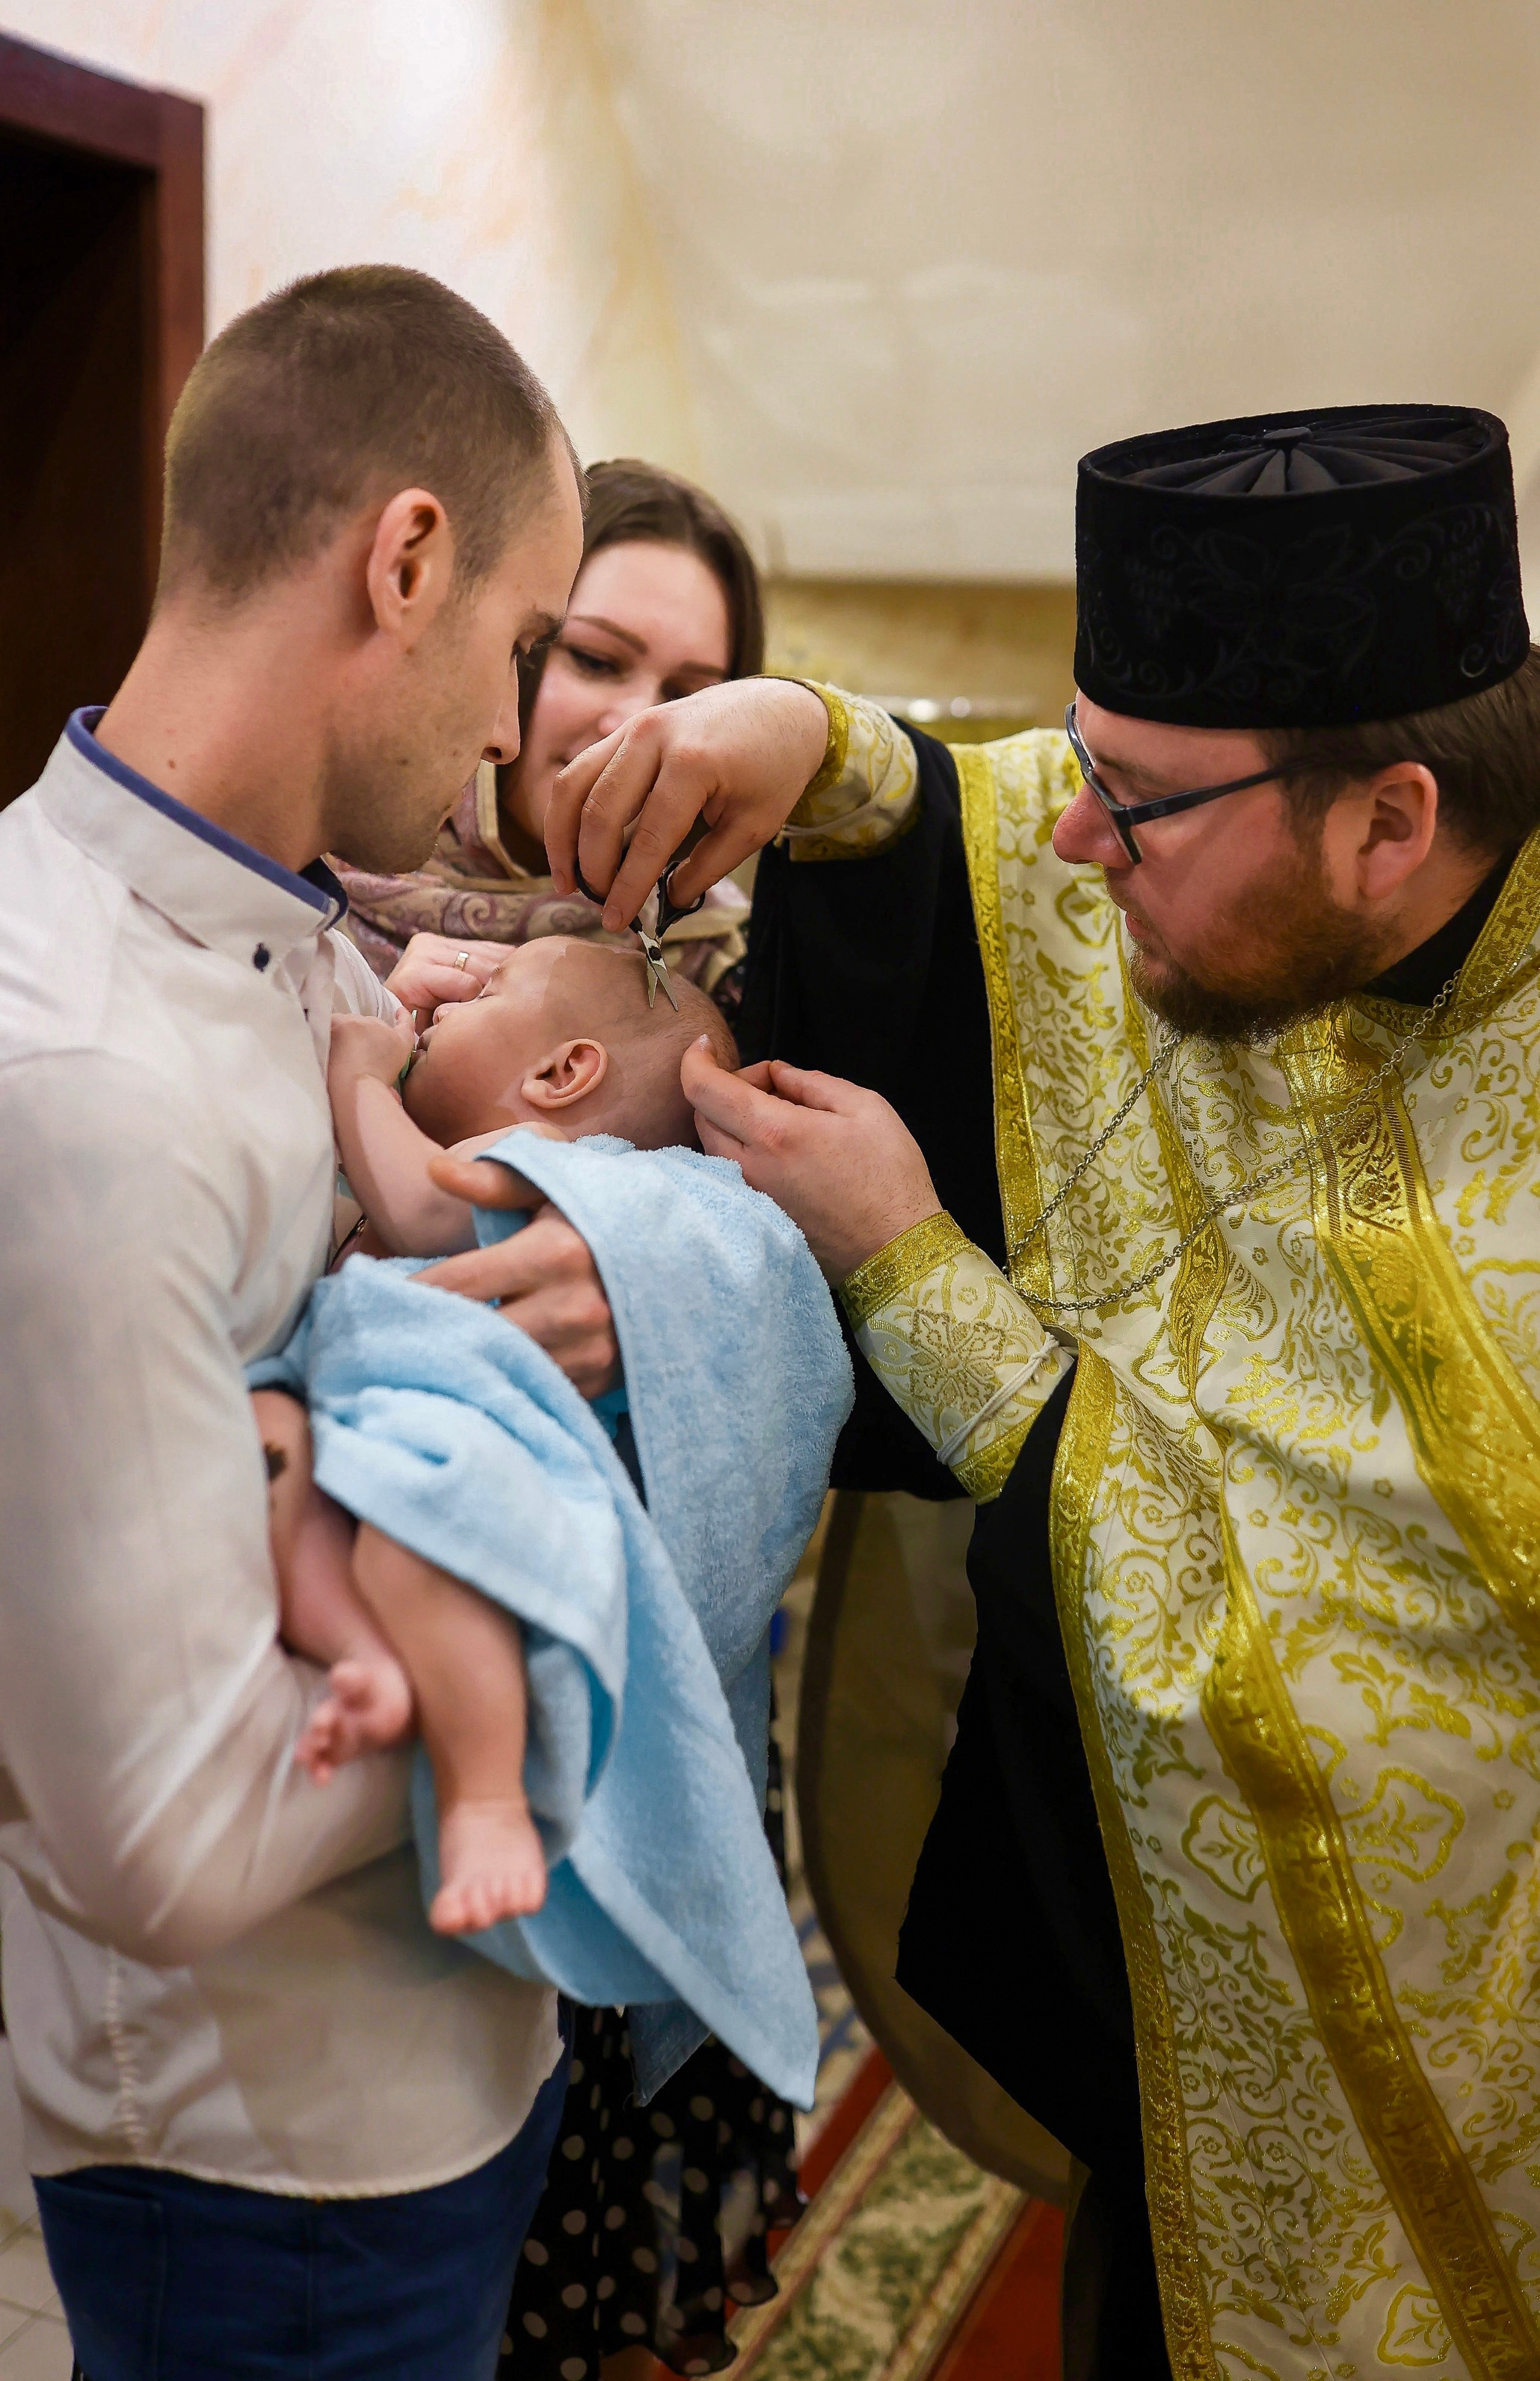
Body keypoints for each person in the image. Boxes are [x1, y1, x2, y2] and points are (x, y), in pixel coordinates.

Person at [544, 405, 1540, 2378]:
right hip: (1151, 2071)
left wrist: (913, 1270)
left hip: (1411, 2141)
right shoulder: (1267, 856)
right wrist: (815, 745)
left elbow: (1352, 1699)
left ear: (1392, 821)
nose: (1074, 841)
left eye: (1136, 798)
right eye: (1079, 763)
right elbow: (988, 822)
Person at [0, 262, 624, 2381]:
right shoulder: (78, 1081)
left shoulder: (289, 941)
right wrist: (573, 1643)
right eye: (529, 649)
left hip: (433, 2056)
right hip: (261, 2167)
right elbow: (163, 1837)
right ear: (407, 555)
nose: (514, 732)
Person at [253, 940, 740, 1939]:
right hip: (364, 1404)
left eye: (489, 994)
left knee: (421, 1523)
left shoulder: (538, 1165)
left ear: (561, 1073)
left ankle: (486, 1798)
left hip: (461, 1434)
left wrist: (360, 1078)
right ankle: (367, 1659)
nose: (442, 1012)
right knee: (268, 1440)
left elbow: (423, 1205)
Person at [335, 458, 761, 1025]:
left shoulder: (723, 963)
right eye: (596, 661)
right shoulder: (307, 874)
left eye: (687, 696)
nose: (637, 726)